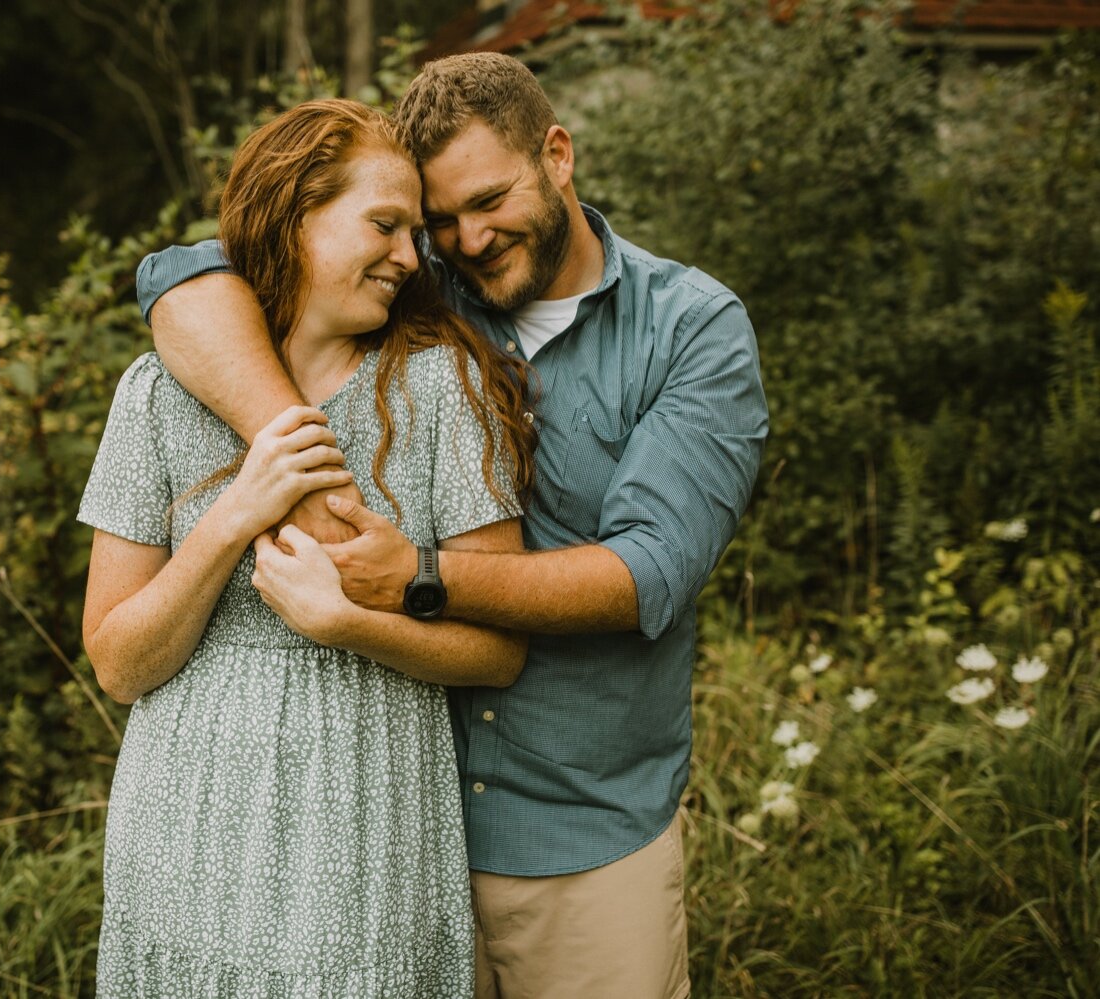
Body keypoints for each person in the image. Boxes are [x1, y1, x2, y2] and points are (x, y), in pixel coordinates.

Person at [135, 53, 770, 999]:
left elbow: (647, 575)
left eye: (490, 200)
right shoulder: (415, 285)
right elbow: (182, 277)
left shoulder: (691, 330)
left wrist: (416, 574)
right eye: (439, 220)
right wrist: (292, 454)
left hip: (580, 835)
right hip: (389, 844)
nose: (465, 241)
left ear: (556, 154)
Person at [78, 98, 538, 997]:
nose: (412, 255)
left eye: (416, 233)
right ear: (294, 213)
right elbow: (118, 664)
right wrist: (232, 517)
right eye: (385, 223)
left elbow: (501, 650)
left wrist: (348, 623)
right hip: (187, 835)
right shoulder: (156, 393)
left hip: (369, 833)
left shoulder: (442, 390)